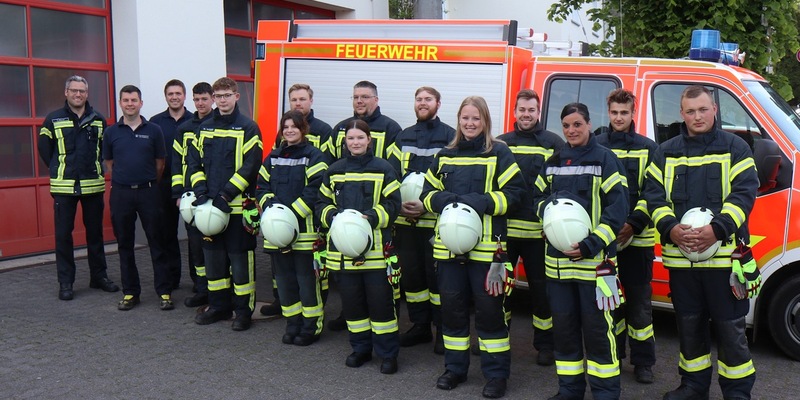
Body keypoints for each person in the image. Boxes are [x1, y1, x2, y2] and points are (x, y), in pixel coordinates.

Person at [643, 85, 758, 400]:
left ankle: (737, 392)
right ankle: (693, 387)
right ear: (681, 114)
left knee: (730, 329)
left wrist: (718, 229)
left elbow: (744, 194)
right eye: (690, 111)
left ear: (714, 110)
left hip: (725, 260)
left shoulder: (736, 148)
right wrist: (670, 228)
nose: (697, 116)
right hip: (681, 262)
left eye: (703, 109)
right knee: (689, 328)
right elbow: (653, 196)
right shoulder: (665, 151)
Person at [421, 96, 526, 399]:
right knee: (452, 312)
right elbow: (428, 193)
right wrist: (443, 200)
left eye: (476, 119)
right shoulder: (445, 155)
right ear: (459, 120)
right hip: (449, 251)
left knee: (490, 314)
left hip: (487, 254)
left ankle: (496, 375)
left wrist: (482, 202)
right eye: (465, 118)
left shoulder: (499, 154)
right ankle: (455, 369)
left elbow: (515, 195)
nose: (470, 124)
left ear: (485, 122)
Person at [532, 102, 628, 400]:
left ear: (589, 124)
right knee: (565, 332)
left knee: (599, 334)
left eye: (577, 124)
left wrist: (592, 243)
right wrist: (548, 218)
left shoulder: (606, 160)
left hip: (595, 267)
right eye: (566, 126)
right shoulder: (553, 161)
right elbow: (538, 199)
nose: (571, 130)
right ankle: (569, 391)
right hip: (557, 268)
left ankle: (605, 393)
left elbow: (618, 208)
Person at [316, 119, 401, 374]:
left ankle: (388, 354)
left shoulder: (384, 169)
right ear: (345, 142)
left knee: (381, 305)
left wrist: (372, 218)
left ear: (369, 140)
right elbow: (321, 203)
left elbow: (393, 205)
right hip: (343, 253)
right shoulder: (334, 171)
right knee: (353, 306)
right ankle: (361, 349)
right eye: (351, 139)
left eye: (360, 138)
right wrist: (332, 217)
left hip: (376, 253)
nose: (355, 142)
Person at [186, 77, 263, 331]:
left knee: (241, 263)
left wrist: (226, 195)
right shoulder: (204, 127)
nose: (223, 100)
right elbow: (193, 163)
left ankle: (243, 311)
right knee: (213, 260)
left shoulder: (249, 128)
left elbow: (250, 167)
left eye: (227, 95)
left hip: (238, 209)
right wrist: (201, 193)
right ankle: (219, 306)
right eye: (218, 96)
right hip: (209, 209)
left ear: (237, 96)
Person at [325, 80, 402, 331]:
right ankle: (353, 326)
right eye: (356, 96)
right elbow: (327, 165)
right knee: (350, 290)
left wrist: (372, 216)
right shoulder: (339, 128)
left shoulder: (391, 129)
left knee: (380, 295)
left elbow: (394, 173)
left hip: (376, 226)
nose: (360, 101)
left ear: (376, 100)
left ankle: (384, 344)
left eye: (365, 97)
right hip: (346, 210)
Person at [595, 88, 659, 384]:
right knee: (611, 304)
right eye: (614, 113)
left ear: (634, 114)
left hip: (639, 240)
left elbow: (653, 192)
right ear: (608, 113)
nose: (619, 118)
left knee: (639, 306)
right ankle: (616, 356)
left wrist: (634, 223)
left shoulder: (649, 148)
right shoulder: (597, 145)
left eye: (625, 113)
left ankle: (644, 362)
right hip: (607, 242)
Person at [496, 89, 563, 366]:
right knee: (500, 289)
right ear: (515, 112)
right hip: (506, 232)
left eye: (531, 110)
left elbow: (560, 185)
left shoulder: (553, 143)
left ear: (539, 112)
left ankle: (545, 345)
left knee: (541, 292)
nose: (526, 114)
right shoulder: (500, 143)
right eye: (521, 109)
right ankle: (496, 338)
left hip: (538, 234)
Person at [386, 86, 455, 354]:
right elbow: (390, 175)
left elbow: (452, 176)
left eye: (428, 99)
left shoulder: (450, 137)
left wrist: (426, 205)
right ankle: (420, 325)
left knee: (438, 280)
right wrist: (398, 205)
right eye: (419, 99)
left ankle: (442, 330)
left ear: (438, 103)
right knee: (412, 279)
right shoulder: (403, 137)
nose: (422, 103)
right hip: (405, 221)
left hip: (435, 222)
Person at [38, 75, 119, 301]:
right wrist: (58, 168)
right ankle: (66, 282)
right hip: (64, 187)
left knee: (95, 234)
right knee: (63, 236)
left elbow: (105, 150)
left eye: (82, 91)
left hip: (92, 185)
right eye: (73, 90)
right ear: (66, 93)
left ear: (87, 93)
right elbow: (45, 149)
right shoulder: (52, 119)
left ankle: (99, 277)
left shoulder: (98, 120)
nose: (78, 94)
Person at [259, 83, 334, 318]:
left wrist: (290, 214)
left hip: (305, 228)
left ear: (304, 129)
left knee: (307, 280)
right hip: (278, 228)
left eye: (294, 127)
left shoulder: (318, 147)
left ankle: (311, 323)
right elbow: (262, 184)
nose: (289, 130)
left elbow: (317, 187)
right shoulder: (275, 154)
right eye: (286, 127)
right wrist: (272, 210)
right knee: (283, 278)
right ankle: (291, 320)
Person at [102, 85, 172, 311]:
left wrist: (146, 180)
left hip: (148, 192)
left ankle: (164, 291)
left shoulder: (154, 130)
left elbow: (160, 164)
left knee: (157, 241)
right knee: (125, 244)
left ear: (141, 103)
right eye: (126, 100)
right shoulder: (111, 132)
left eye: (134, 100)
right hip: (121, 193)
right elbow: (110, 164)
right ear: (120, 103)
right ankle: (131, 293)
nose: (130, 103)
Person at [172, 82, 215, 308]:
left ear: (213, 100)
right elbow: (177, 163)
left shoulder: (220, 124)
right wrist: (178, 192)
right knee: (195, 245)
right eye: (197, 100)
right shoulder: (185, 128)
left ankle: (218, 289)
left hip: (214, 195)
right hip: (190, 196)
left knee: (215, 245)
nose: (200, 103)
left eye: (204, 99)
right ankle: (201, 288)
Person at [150, 79, 193, 290]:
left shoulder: (196, 121)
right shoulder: (155, 122)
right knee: (167, 234)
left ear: (184, 96)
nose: (174, 97)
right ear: (165, 96)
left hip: (192, 186)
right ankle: (172, 278)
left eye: (178, 93)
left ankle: (198, 281)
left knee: (195, 235)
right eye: (170, 94)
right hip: (164, 186)